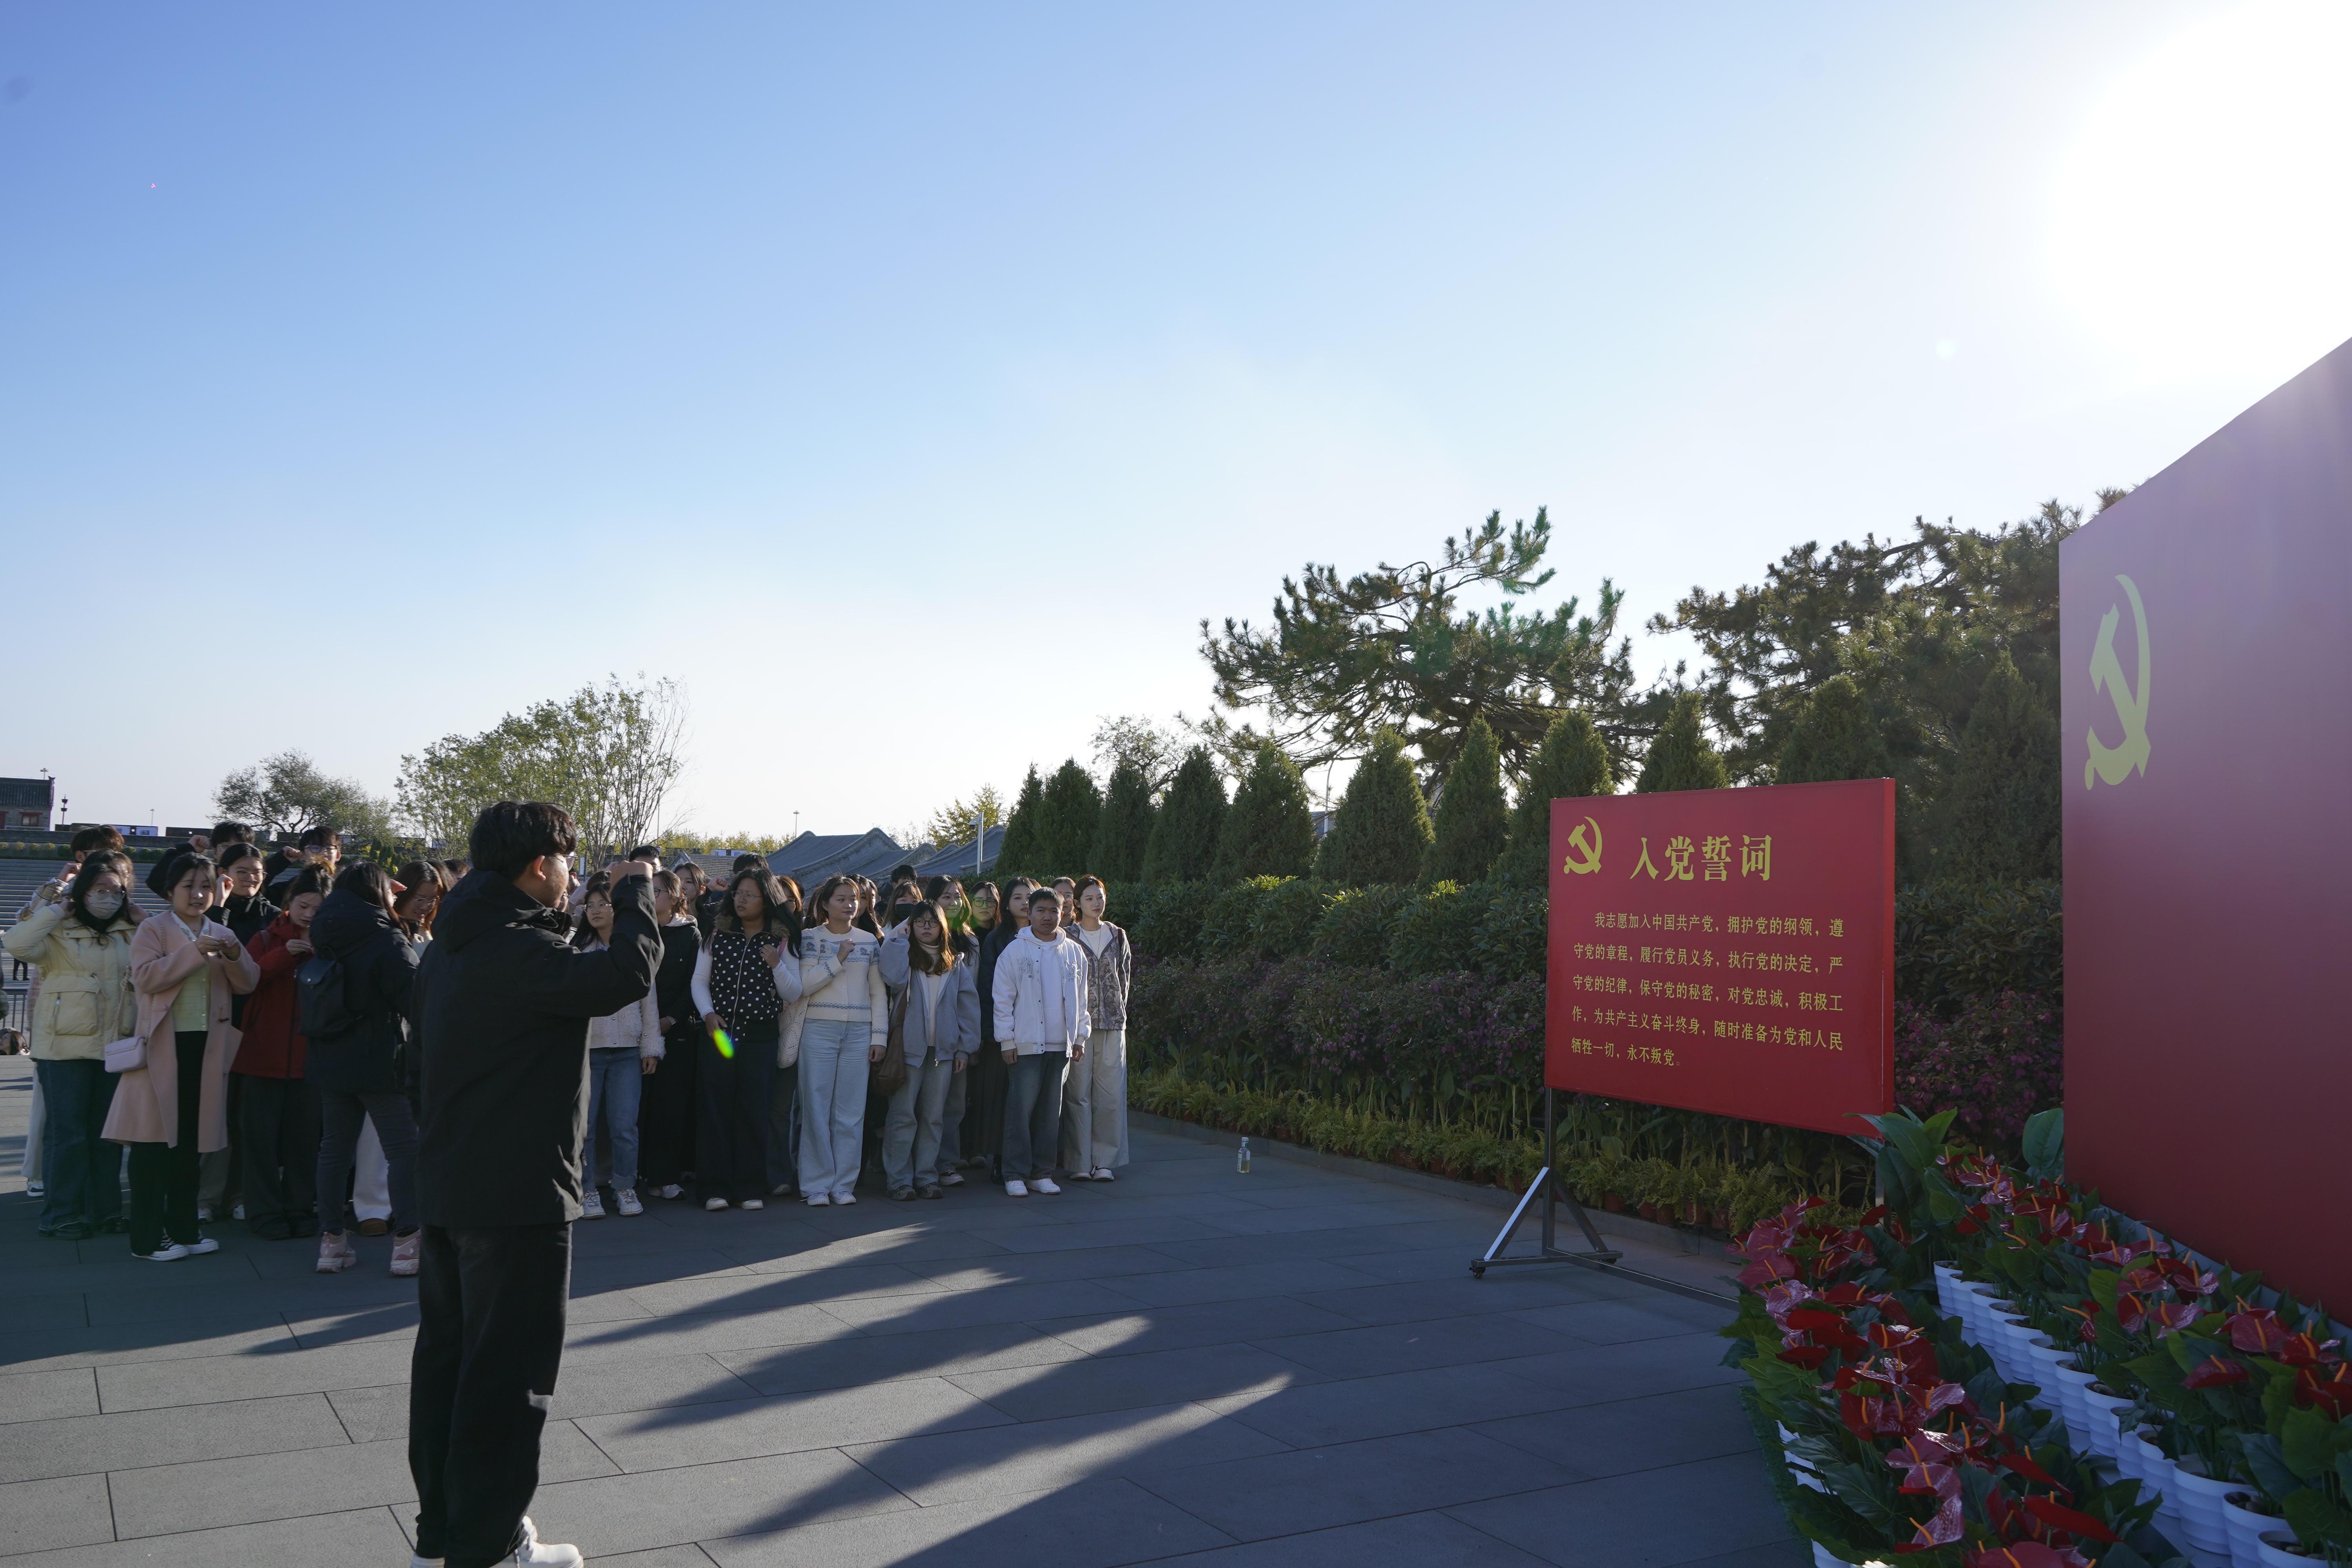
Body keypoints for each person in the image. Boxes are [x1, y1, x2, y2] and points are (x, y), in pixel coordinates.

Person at [408, 801, 661, 1568]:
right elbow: (624, 974)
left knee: (449, 1366)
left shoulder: (452, 944)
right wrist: (636, 892)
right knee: (507, 1378)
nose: (572, 876)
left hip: (451, 1182)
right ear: (539, 866)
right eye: (567, 863)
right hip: (516, 1192)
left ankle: (444, 1534)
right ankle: (487, 1546)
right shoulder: (515, 949)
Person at [109, 854, 260, 1259]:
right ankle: (147, 1239)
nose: (198, 894)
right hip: (162, 1047)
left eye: (206, 886)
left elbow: (248, 982)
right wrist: (194, 952)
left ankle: (185, 1230)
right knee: (153, 1144)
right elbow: (145, 978)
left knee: (191, 1145)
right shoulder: (153, 928)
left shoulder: (221, 930)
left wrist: (233, 954)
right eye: (189, 886)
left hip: (205, 1049)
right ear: (170, 891)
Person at [4, 851, 139, 1238]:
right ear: (82, 892)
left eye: (117, 891)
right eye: (99, 889)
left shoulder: (130, 932)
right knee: (68, 1135)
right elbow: (16, 943)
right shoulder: (58, 930)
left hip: (114, 1045)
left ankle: (106, 1211)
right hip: (63, 1048)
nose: (109, 897)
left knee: (107, 1135)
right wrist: (55, 908)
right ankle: (61, 1214)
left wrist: (144, 919)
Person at [309, 862, 424, 1276]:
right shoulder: (385, 938)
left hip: (330, 1054)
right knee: (403, 1150)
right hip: (380, 1057)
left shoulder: (324, 932)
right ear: (378, 892)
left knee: (334, 1150)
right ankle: (407, 1242)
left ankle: (332, 1242)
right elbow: (416, 998)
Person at [688, 868, 791, 1211]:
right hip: (720, 1036)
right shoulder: (717, 933)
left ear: (767, 899)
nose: (741, 900)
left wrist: (777, 964)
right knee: (715, 1110)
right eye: (738, 893)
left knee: (753, 1111)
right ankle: (713, 1189)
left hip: (760, 1038)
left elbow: (793, 991)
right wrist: (708, 1014)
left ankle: (749, 1188)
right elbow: (699, 980)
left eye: (750, 894)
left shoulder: (781, 939)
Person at [233, 867, 328, 1239]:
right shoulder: (265, 937)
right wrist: (284, 955)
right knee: (259, 1143)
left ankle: (300, 1210)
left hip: (310, 1060)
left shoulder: (333, 941)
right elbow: (247, 980)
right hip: (261, 1056)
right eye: (303, 906)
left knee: (304, 1144)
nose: (309, 915)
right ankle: (265, 1214)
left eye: (318, 909)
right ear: (289, 902)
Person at [789, 873, 885, 1205]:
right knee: (816, 1108)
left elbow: (878, 992)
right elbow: (804, 985)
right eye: (841, 899)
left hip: (859, 1032)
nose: (850, 905)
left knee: (851, 1111)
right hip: (818, 1029)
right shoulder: (810, 937)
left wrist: (879, 1037)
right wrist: (838, 959)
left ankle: (844, 1184)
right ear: (825, 904)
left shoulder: (869, 941)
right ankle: (815, 1185)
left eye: (854, 899)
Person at [877, 900, 979, 1200]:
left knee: (934, 1118)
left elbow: (968, 1007)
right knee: (903, 1116)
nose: (926, 927)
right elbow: (892, 978)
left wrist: (964, 1049)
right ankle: (899, 1180)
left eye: (932, 922)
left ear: (942, 927)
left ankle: (926, 1176)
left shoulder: (954, 962)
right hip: (908, 1050)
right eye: (919, 922)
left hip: (943, 1052)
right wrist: (898, 938)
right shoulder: (905, 954)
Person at [992, 886, 1089, 1197]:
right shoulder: (1014, 951)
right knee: (1020, 1111)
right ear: (1029, 913)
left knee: (1050, 1113)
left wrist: (1080, 1036)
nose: (1048, 917)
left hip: (1061, 1045)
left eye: (1053, 911)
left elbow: (1082, 999)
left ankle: (1042, 1173)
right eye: (1041, 911)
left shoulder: (1074, 952)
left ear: (1063, 913)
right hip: (1025, 1044)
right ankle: (1014, 1174)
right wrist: (1006, 1040)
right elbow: (1002, 1000)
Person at [573, 877, 661, 1218]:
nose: (595, 911)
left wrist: (650, 1047)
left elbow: (650, 1002)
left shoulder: (634, 951)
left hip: (627, 1050)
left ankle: (625, 1186)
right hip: (588, 1051)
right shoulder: (579, 950)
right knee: (586, 1127)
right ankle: (587, 1190)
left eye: (604, 904)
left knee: (625, 1125)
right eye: (590, 906)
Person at [1060, 876, 1133, 1181]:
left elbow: (1125, 979)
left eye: (1100, 897)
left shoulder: (1117, 935)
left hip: (1113, 1025)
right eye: (1089, 898)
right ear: (1077, 903)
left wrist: (1117, 1010)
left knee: (1111, 1094)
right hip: (1079, 1027)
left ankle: (1104, 1161)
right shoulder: (1067, 937)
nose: (1096, 903)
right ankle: (1079, 1161)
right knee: (1078, 1094)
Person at [638, 869, 702, 1201]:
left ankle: (666, 1176)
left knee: (670, 1107)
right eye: (648, 891)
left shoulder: (689, 933)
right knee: (637, 1107)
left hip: (676, 1031)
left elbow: (696, 983)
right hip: (636, 1029)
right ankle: (635, 1174)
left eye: (658, 891)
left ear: (676, 897)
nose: (652, 897)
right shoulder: (637, 928)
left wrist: (671, 1019)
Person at [970, 877, 1030, 1183]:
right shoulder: (997, 938)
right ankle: (999, 1158)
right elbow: (988, 989)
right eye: (1017, 897)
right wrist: (990, 1031)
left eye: (1029, 897)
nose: (1024, 902)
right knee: (1000, 1097)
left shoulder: (1049, 937)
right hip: (1002, 1032)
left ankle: (1029, 1158)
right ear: (1006, 904)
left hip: (1037, 1033)